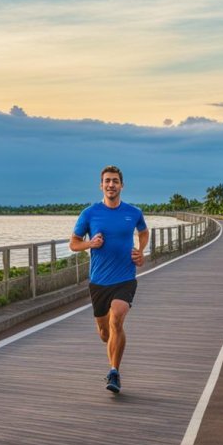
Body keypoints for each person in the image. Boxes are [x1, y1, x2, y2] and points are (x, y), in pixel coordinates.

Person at [69, 165, 149, 394]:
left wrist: (140, 250)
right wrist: (90, 244)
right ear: (101, 185)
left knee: (117, 319)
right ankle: (112, 355)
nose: (111, 185)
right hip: (99, 282)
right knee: (105, 333)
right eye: (107, 181)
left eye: (115, 181)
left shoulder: (133, 212)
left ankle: (114, 371)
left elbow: (144, 232)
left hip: (125, 278)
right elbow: (73, 243)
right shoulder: (89, 213)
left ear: (121, 185)